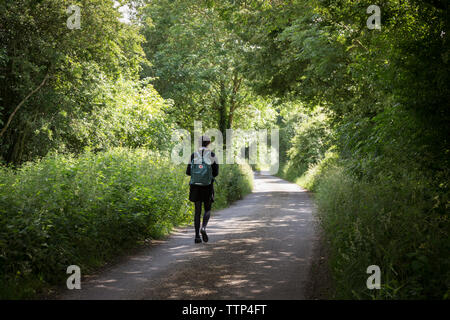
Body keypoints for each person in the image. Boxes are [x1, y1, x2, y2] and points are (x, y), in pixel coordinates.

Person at [186, 135, 219, 243]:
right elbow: (216, 173)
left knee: (197, 211)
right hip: (207, 186)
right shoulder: (212, 155)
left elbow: (188, 172)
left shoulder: (193, 155)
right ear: (208, 143)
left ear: (199, 143)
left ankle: (196, 237)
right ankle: (203, 228)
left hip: (195, 186)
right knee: (207, 209)